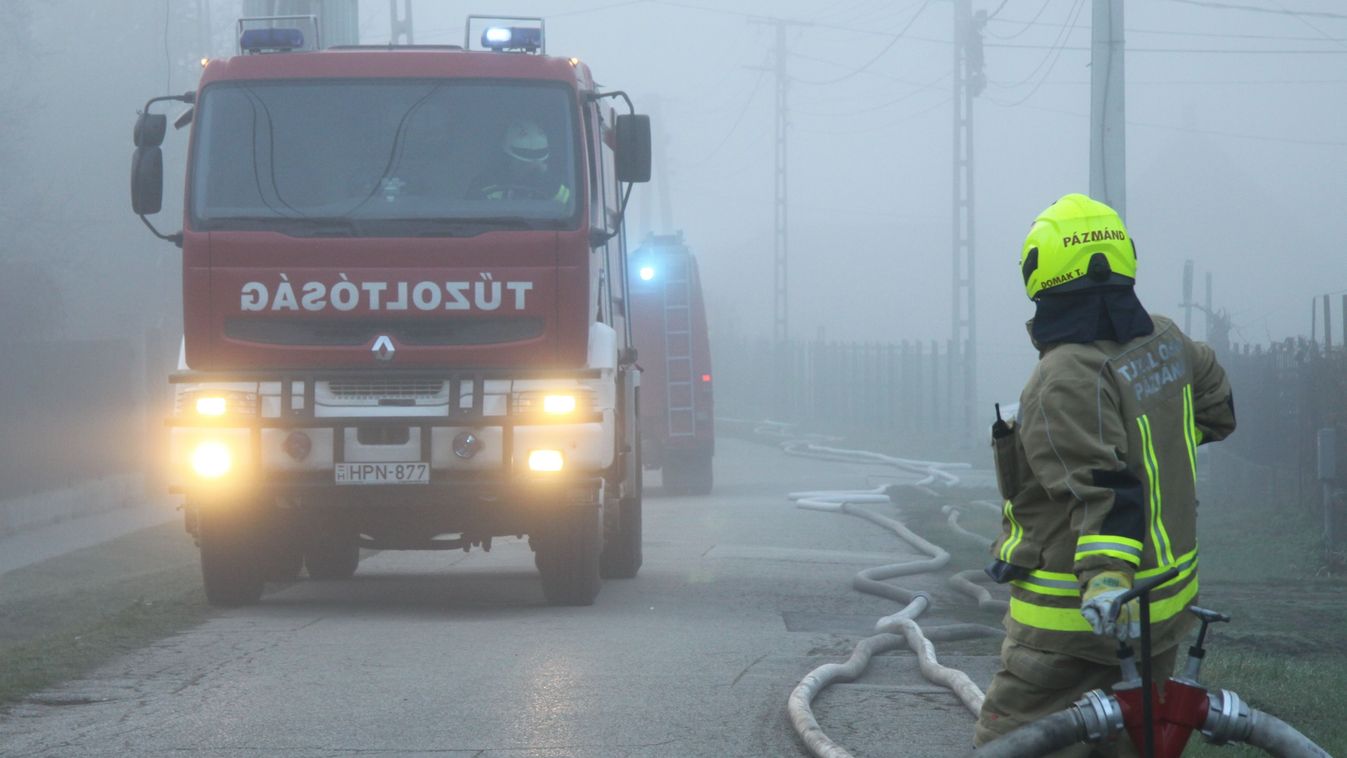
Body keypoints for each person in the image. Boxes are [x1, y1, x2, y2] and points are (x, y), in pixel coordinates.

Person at [973, 194, 1236, 756]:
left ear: (1038, 270)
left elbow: (1103, 493)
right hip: (1162, 614)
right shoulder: (1165, 340)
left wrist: (1106, 582)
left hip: (1074, 628)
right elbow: (1214, 410)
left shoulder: (1064, 374)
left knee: (1011, 745)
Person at [466, 118, 572, 205]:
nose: (532, 165)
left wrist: (547, 181)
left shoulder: (554, 185)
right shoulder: (486, 182)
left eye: (537, 161)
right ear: (508, 158)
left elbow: (571, 207)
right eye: (523, 162)